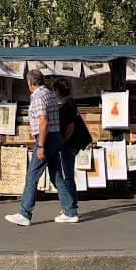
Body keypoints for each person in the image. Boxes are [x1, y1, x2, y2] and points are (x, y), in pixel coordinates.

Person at [5, 69, 78, 226]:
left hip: (47, 138)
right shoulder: (50, 95)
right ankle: (70, 211)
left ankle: (24, 213)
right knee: (56, 176)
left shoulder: (38, 97)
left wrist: (41, 146)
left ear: (30, 83)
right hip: (56, 136)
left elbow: (43, 122)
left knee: (32, 176)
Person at [51, 77, 92, 222]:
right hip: (73, 144)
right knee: (69, 176)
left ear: (57, 90)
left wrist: (62, 142)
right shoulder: (70, 103)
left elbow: (70, 127)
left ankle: (70, 211)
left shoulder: (67, 105)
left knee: (67, 176)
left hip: (69, 145)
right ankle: (71, 206)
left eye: (53, 89)